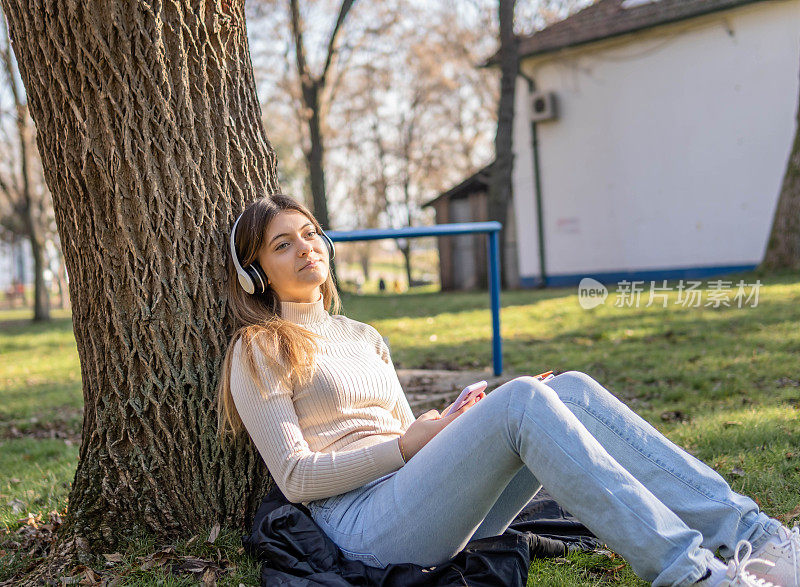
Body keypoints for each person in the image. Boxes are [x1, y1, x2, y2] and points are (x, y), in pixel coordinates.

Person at [216, 193, 799, 587]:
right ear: (256, 271)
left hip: (421, 498)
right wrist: (405, 448)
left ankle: (756, 537)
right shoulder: (259, 348)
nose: (306, 248)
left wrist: (449, 424)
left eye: (310, 234)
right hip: (364, 528)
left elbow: (405, 430)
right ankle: (692, 575)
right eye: (282, 244)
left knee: (563, 389)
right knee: (521, 401)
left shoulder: (363, 335)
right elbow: (295, 478)